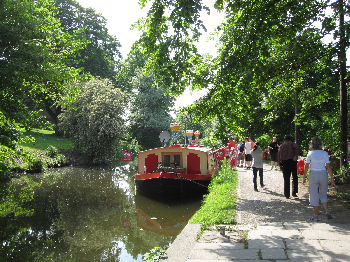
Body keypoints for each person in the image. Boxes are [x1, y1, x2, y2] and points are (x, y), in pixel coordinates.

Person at [303, 137, 335, 222]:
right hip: (323, 174)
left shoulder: (310, 153)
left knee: (314, 195)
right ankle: (327, 211)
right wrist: (332, 178)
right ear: (321, 144)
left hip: (313, 174)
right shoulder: (325, 153)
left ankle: (316, 216)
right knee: (323, 193)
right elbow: (328, 166)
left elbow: (306, 166)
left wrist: (304, 177)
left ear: (312, 144)